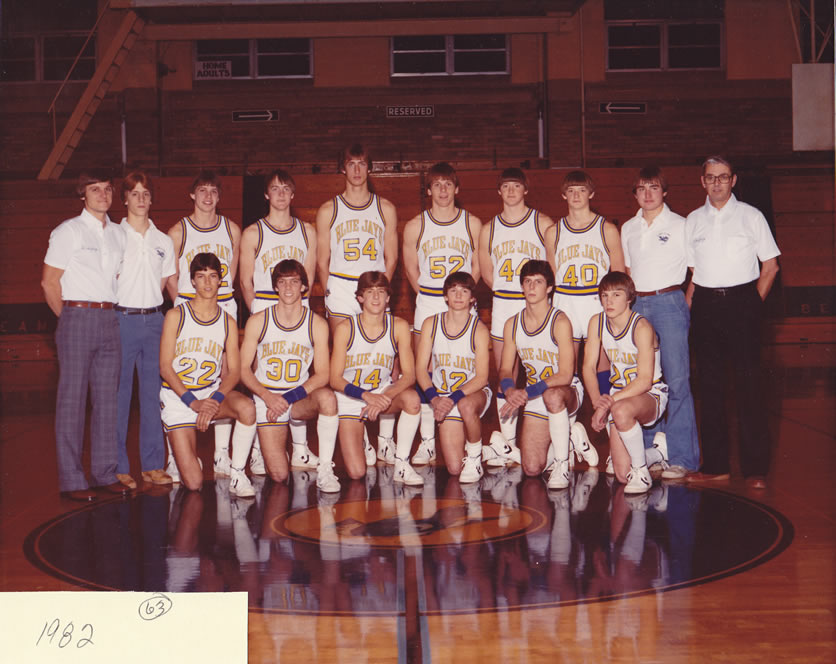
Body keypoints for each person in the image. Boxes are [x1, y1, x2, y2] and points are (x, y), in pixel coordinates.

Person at [684, 156, 780, 489]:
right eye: (710, 178)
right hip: (706, 304)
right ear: (702, 182)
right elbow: (694, 273)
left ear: (734, 180)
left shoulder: (752, 217)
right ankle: (716, 465)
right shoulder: (693, 221)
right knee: (709, 389)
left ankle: (755, 469)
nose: (717, 183)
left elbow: (770, 266)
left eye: (723, 177)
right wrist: (690, 310)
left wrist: (752, 304)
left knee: (749, 387)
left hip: (743, 303)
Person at [42, 172, 128, 501]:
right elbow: (50, 282)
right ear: (83, 195)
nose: (103, 195)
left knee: (108, 400)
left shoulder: (119, 234)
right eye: (95, 189)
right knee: (72, 402)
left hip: (110, 317)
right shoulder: (68, 231)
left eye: (107, 189)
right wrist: (69, 320)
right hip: (77, 316)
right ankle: (72, 479)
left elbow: (117, 278)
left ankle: (104, 473)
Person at [317, 144, 399, 462]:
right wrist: (329, 290)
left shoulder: (385, 209)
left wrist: (379, 289)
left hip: (375, 288)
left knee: (385, 361)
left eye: (361, 164)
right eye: (350, 164)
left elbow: (391, 257)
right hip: (341, 287)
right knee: (345, 363)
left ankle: (387, 440)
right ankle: (359, 430)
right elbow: (322, 258)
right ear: (343, 169)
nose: (356, 170)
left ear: (369, 168)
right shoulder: (329, 210)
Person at [621, 166, 699, 480]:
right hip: (638, 304)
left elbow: (696, 270)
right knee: (644, 380)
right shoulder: (628, 227)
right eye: (642, 188)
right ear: (636, 193)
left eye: (654, 187)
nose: (648, 194)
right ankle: (646, 454)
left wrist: (685, 303)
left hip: (670, 301)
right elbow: (627, 272)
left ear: (664, 191)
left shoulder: (682, 224)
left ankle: (682, 458)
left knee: (678, 381)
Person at [403, 162, 483, 466]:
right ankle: (426, 441)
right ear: (428, 190)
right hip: (430, 299)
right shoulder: (415, 225)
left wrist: (465, 293)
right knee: (426, 366)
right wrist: (427, 294)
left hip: (463, 299)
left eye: (448, 184)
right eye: (436, 185)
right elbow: (410, 268)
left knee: (465, 361)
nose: (443, 190)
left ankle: (466, 419)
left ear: (457, 189)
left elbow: (477, 264)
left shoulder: (471, 223)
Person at [239, 169, 319, 471]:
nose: (281, 194)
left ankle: (300, 448)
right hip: (265, 305)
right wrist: (259, 314)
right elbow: (245, 281)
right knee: (262, 373)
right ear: (266, 195)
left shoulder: (307, 231)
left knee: (298, 373)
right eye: (275, 189)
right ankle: (260, 448)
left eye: (286, 188)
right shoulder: (253, 232)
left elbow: (308, 279)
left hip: (298, 309)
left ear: (293, 194)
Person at [159, 253, 256, 496]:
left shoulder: (227, 322)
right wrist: (194, 402)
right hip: (179, 399)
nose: (207, 283)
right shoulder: (176, 315)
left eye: (213, 276)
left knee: (247, 407)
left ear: (221, 281)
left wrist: (214, 401)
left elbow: (234, 372)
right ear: (191, 281)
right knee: (193, 483)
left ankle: (237, 472)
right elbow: (165, 367)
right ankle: (185, 456)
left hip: (210, 396)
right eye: (201, 277)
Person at [239, 260, 340, 493]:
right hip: (267, 399)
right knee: (279, 475)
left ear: (304, 287)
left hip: (297, 398)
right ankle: (263, 443)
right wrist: (267, 396)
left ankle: (325, 468)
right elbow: (244, 369)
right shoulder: (258, 321)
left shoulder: (317, 323)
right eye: (282, 282)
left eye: (294, 282)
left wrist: (289, 397)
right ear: (275, 287)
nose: (288, 288)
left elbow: (323, 374)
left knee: (327, 398)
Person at [166, 170, 242, 478]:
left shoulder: (232, 229)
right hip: (188, 306)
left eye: (213, 191)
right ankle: (174, 453)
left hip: (223, 304)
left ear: (219, 196)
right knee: (181, 372)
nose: (208, 196)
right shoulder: (178, 231)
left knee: (224, 375)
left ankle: (221, 455)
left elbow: (232, 274)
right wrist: (184, 307)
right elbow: (171, 276)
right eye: (202, 191)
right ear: (192, 195)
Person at [478, 168, 554, 463]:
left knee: (544, 371)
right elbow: (487, 273)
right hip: (505, 303)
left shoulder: (542, 223)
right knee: (505, 374)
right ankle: (506, 445)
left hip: (536, 304)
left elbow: (552, 267)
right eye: (506, 186)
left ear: (526, 190)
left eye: (516, 186)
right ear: (499, 191)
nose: (511, 191)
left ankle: (560, 439)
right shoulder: (489, 229)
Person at [497, 261, 590, 490]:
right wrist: (510, 390)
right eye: (527, 281)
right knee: (531, 469)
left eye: (538, 282)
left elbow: (566, 374)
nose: (531, 287)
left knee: (553, 395)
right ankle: (568, 439)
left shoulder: (559, 321)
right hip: (535, 393)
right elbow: (505, 369)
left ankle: (561, 463)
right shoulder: (512, 324)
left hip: (567, 392)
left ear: (549, 287)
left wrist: (526, 392)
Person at [114, 171, 176, 490]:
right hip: (121, 321)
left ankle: (153, 464)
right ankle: (118, 466)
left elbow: (164, 285)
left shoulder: (163, 241)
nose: (140, 199)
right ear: (124, 198)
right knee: (119, 395)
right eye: (134, 193)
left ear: (152, 199)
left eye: (145, 193)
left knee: (153, 394)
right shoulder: (112, 237)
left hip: (154, 321)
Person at [330, 272, 422, 486]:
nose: (376, 298)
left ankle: (401, 463)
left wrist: (384, 396)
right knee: (356, 472)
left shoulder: (398, 326)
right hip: (351, 398)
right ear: (360, 298)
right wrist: (366, 396)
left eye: (381, 292)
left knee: (412, 400)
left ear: (388, 297)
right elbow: (335, 379)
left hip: (382, 394)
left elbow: (409, 375)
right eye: (369, 293)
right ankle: (363, 440)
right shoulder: (345, 328)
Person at [582, 272, 669, 495]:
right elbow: (588, 368)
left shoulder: (641, 328)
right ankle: (657, 453)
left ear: (629, 297)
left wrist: (607, 404)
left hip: (651, 394)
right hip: (618, 397)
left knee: (620, 410)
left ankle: (642, 472)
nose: (609, 301)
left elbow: (644, 381)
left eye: (616, 295)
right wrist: (596, 402)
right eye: (604, 295)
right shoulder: (596, 322)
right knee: (621, 474)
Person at [415, 272, 491, 483]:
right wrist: (434, 398)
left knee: (466, 405)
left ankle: (475, 457)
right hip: (442, 398)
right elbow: (421, 369)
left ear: (472, 298)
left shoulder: (479, 330)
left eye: (464, 291)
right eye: (453, 290)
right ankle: (490, 449)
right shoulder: (431, 324)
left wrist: (451, 398)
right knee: (454, 468)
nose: (458, 296)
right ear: (445, 296)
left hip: (472, 394)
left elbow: (482, 378)